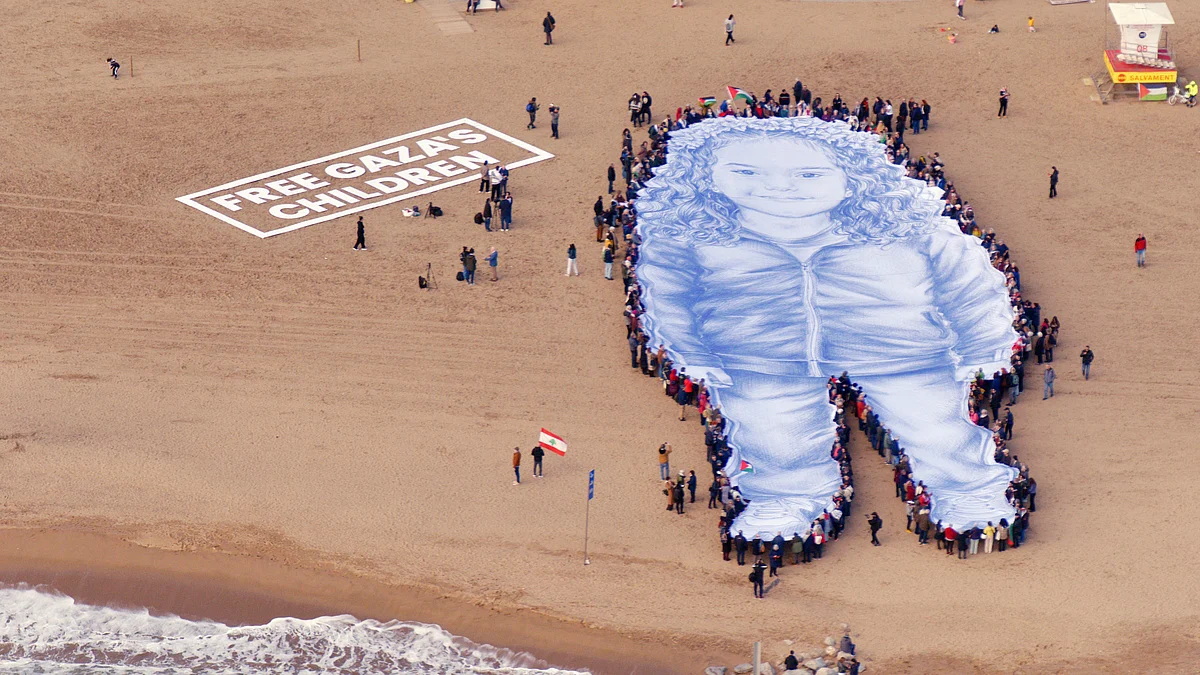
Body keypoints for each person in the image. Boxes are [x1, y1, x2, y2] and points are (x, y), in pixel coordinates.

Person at [636, 116, 1020, 536]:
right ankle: (785, 498)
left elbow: (971, 287)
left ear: (854, 178)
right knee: (773, 435)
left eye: (808, 174)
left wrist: (984, 347)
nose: (779, 186)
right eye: (746, 172)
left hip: (902, 352)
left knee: (935, 425)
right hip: (759, 355)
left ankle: (967, 489)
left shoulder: (912, 230)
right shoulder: (689, 237)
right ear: (704, 176)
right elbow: (668, 299)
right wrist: (691, 353)